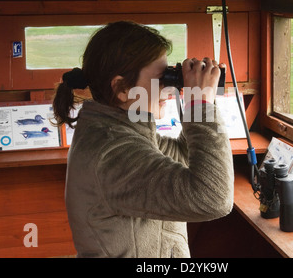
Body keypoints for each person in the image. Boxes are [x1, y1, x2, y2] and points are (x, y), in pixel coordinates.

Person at [53, 21, 234, 258]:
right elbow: (214, 198)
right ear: (122, 88)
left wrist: (202, 97)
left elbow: (184, 155)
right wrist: (199, 104)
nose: (169, 88)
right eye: (162, 78)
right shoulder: (113, 152)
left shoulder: (119, 130)